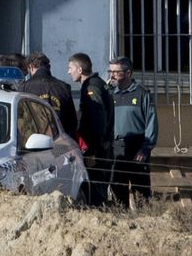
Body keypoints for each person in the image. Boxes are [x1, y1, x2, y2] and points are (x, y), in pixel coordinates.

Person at [107, 56, 157, 208]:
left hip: (137, 148)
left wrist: (146, 148)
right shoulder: (109, 94)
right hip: (116, 148)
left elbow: (151, 122)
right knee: (118, 195)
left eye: (116, 72)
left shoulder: (142, 94)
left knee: (141, 196)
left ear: (128, 73)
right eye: (110, 71)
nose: (112, 75)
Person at [67, 52, 114, 205]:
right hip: (100, 148)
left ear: (80, 70)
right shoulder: (95, 84)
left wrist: (92, 151)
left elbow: (97, 121)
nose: (69, 72)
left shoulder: (92, 87)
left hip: (97, 151)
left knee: (96, 191)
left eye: (70, 68)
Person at [23, 52, 78, 137]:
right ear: (48, 67)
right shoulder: (64, 87)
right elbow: (72, 121)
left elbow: (21, 120)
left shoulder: (24, 88)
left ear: (31, 67)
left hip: (33, 141)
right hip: (60, 141)